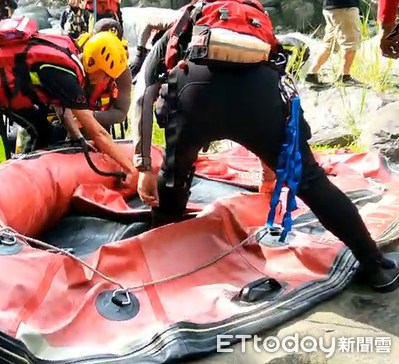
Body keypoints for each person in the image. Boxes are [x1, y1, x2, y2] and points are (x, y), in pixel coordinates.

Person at [132, 1, 399, 294]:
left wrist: (145, 166)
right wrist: (271, 169)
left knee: (174, 177)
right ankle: (377, 267)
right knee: (309, 179)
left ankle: (159, 267)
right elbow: (278, 81)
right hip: (259, 95)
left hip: (194, 95)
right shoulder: (256, 22)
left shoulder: (185, 20)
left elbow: (145, 96)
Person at [0, 16, 137, 186]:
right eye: (106, 75)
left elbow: (65, 110)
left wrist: (79, 140)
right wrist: (129, 168)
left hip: (10, 87)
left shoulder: (73, 58)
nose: (107, 81)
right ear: (92, 62)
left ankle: (30, 179)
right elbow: (99, 133)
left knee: (43, 131)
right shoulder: (67, 76)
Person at [78, 18, 132, 139]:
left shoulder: (121, 69)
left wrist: (89, 116)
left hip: (99, 120)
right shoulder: (77, 59)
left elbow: (121, 113)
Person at [304, 0, 362, 86]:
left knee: (330, 43)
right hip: (345, 7)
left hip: (329, 7)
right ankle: (344, 76)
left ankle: (312, 73)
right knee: (350, 41)